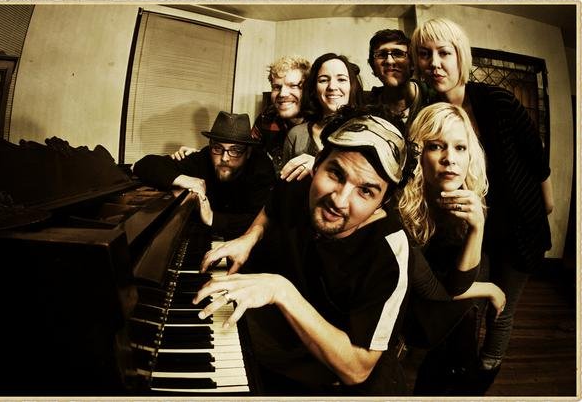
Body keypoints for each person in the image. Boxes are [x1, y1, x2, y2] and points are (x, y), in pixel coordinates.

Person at [193, 109, 492, 396]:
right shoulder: (301, 184)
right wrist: (250, 237)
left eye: (366, 191)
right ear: (317, 164)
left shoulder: (389, 251)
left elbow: (357, 368)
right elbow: (274, 205)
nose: (339, 200)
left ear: (383, 201)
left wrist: (281, 291)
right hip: (280, 354)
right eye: (335, 174)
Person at [411, 17, 553, 393]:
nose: (434, 63)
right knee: (471, 303)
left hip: (519, 226)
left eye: (444, 53)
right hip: (475, 229)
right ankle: (463, 367)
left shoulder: (497, 101)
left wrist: (547, 203)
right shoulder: (428, 112)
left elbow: (535, 156)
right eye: (424, 54)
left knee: (501, 311)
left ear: (461, 56)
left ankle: (485, 374)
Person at [398, 102, 505, 395]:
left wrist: (477, 226)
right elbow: (431, 289)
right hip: (418, 327)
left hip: (455, 318)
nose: (450, 159)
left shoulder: (469, 199)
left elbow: (458, 284)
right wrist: (489, 289)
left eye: (460, 148)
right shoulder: (401, 209)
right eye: (436, 146)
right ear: (418, 154)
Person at [133, 111, 276, 240]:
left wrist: (212, 217)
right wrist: (186, 180)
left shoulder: (261, 168)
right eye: (218, 148)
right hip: (203, 237)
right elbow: (144, 165)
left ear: (248, 152)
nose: (225, 158)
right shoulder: (203, 157)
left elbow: (263, 219)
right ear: (210, 145)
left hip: (246, 243)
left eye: (235, 150)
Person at [171, 55, 311, 175]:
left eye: (293, 86)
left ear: (308, 90)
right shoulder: (267, 117)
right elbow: (244, 153)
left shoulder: (319, 122)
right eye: (277, 87)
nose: (282, 94)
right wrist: (204, 157)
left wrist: (317, 163)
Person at [280, 53, 364, 182]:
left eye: (341, 79)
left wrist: (319, 166)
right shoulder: (296, 135)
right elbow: (284, 185)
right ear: (314, 89)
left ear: (352, 86)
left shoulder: (367, 131)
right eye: (323, 80)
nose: (332, 87)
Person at [367, 29, 432, 134]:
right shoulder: (367, 108)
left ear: (412, 63)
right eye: (381, 54)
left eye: (398, 54)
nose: (389, 61)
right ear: (373, 67)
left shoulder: (432, 98)